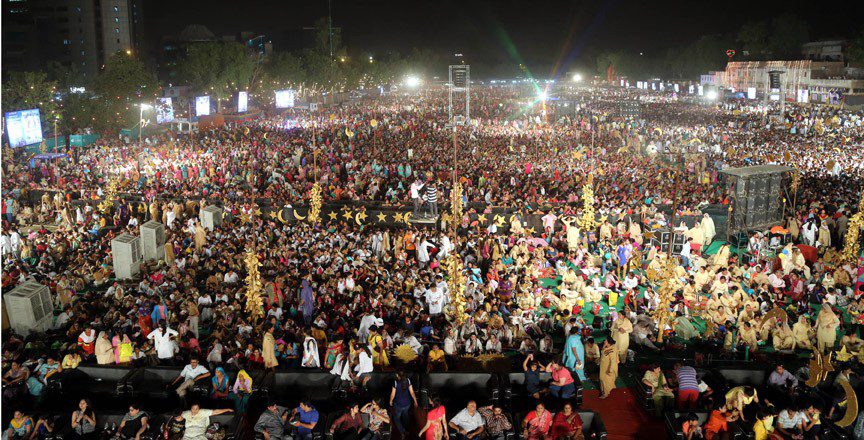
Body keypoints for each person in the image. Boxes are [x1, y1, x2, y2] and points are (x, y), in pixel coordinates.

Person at [389, 372, 418, 436]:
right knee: (405, 415)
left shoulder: (395, 382)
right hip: (407, 403)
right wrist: (415, 401)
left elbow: (392, 395)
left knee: (397, 418)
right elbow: (412, 392)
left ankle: (402, 432)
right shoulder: (408, 380)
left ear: (397, 375)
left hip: (398, 404)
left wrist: (390, 401)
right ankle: (407, 430)